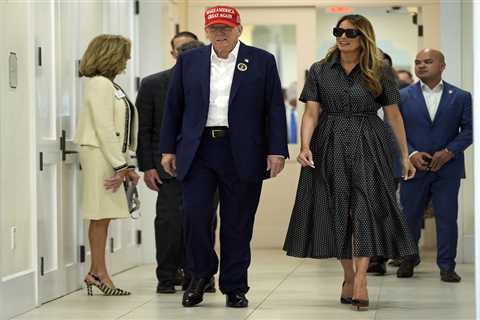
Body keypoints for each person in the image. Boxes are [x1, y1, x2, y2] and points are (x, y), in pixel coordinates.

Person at [283, 14, 417, 311]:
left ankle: (361, 279)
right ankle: (347, 274)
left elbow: (394, 115)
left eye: (350, 32)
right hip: (328, 143)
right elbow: (311, 112)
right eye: (338, 31)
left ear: (363, 37)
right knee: (336, 211)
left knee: (365, 210)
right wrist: (305, 145)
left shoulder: (380, 71)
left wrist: (404, 155)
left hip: (370, 141)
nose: (342, 37)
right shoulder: (319, 70)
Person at [159, 5, 288, 308]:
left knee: (237, 221)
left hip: (242, 150)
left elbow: (274, 109)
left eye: (226, 28)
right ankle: (199, 277)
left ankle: (235, 285)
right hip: (198, 149)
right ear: (206, 31)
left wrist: (277, 150)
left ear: (239, 29)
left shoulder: (261, 61)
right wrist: (167, 148)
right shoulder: (189, 61)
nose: (220, 33)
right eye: (214, 28)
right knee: (195, 216)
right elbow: (173, 107)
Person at [136, 32, 216, 294]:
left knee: (203, 222)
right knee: (169, 223)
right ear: (173, 54)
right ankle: (167, 276)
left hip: (205, 165)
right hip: (167, 168)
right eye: (181, 51)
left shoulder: (214, 83)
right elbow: (144, 130)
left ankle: (200, 275)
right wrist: (147, 166)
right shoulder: (153, 84)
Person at [397, 49, 472, 282]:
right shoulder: (401, 96)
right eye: (417, 62)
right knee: (409, 216)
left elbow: (470, 129)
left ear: (442, 65)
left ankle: (447, 266)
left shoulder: (461, 96)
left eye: (428, 62)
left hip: (447, 168)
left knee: (447, 217)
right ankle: (408, 259)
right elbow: (393, 130)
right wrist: (411, 153)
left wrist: (450, 152)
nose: (421, 66)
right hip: (413, 167)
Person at [75, 34, 139, 296]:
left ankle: (95, 271)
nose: (127, 60)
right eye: (124, 54)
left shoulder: (111, 85)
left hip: (108, 154)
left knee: (104, 216)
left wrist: (127, 163)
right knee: (100, 215)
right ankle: (99, 273)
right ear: (111, 54)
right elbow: (104, 126)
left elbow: (122, 128)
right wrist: (119, 165)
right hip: (99, 154)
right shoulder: (99, 84)